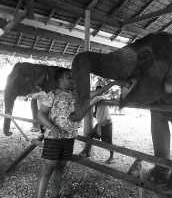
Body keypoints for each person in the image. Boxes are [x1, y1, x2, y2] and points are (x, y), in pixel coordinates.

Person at [35, 68, 80, 198]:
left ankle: (55, 195)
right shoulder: (52, 94)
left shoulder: (75, 96)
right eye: (68, 77)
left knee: (60, 168)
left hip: (69, 137)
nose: (72, 80)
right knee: (47, 169)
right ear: (59, 79)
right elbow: (41, 114)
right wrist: (52, 127)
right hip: (53, 138)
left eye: (72, 77)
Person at [79, 85, 114, 164]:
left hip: (106, 123)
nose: (99, 93)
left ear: (102, 92)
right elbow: (96, 112)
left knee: (108, 142)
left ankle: (111, 157)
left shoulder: (103, 98)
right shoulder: (98, 101)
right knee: (89, 136)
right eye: (97, 91)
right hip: (99, 124)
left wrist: (98, 96)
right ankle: (85, 151)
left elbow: (98, 98)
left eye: (100, 91)